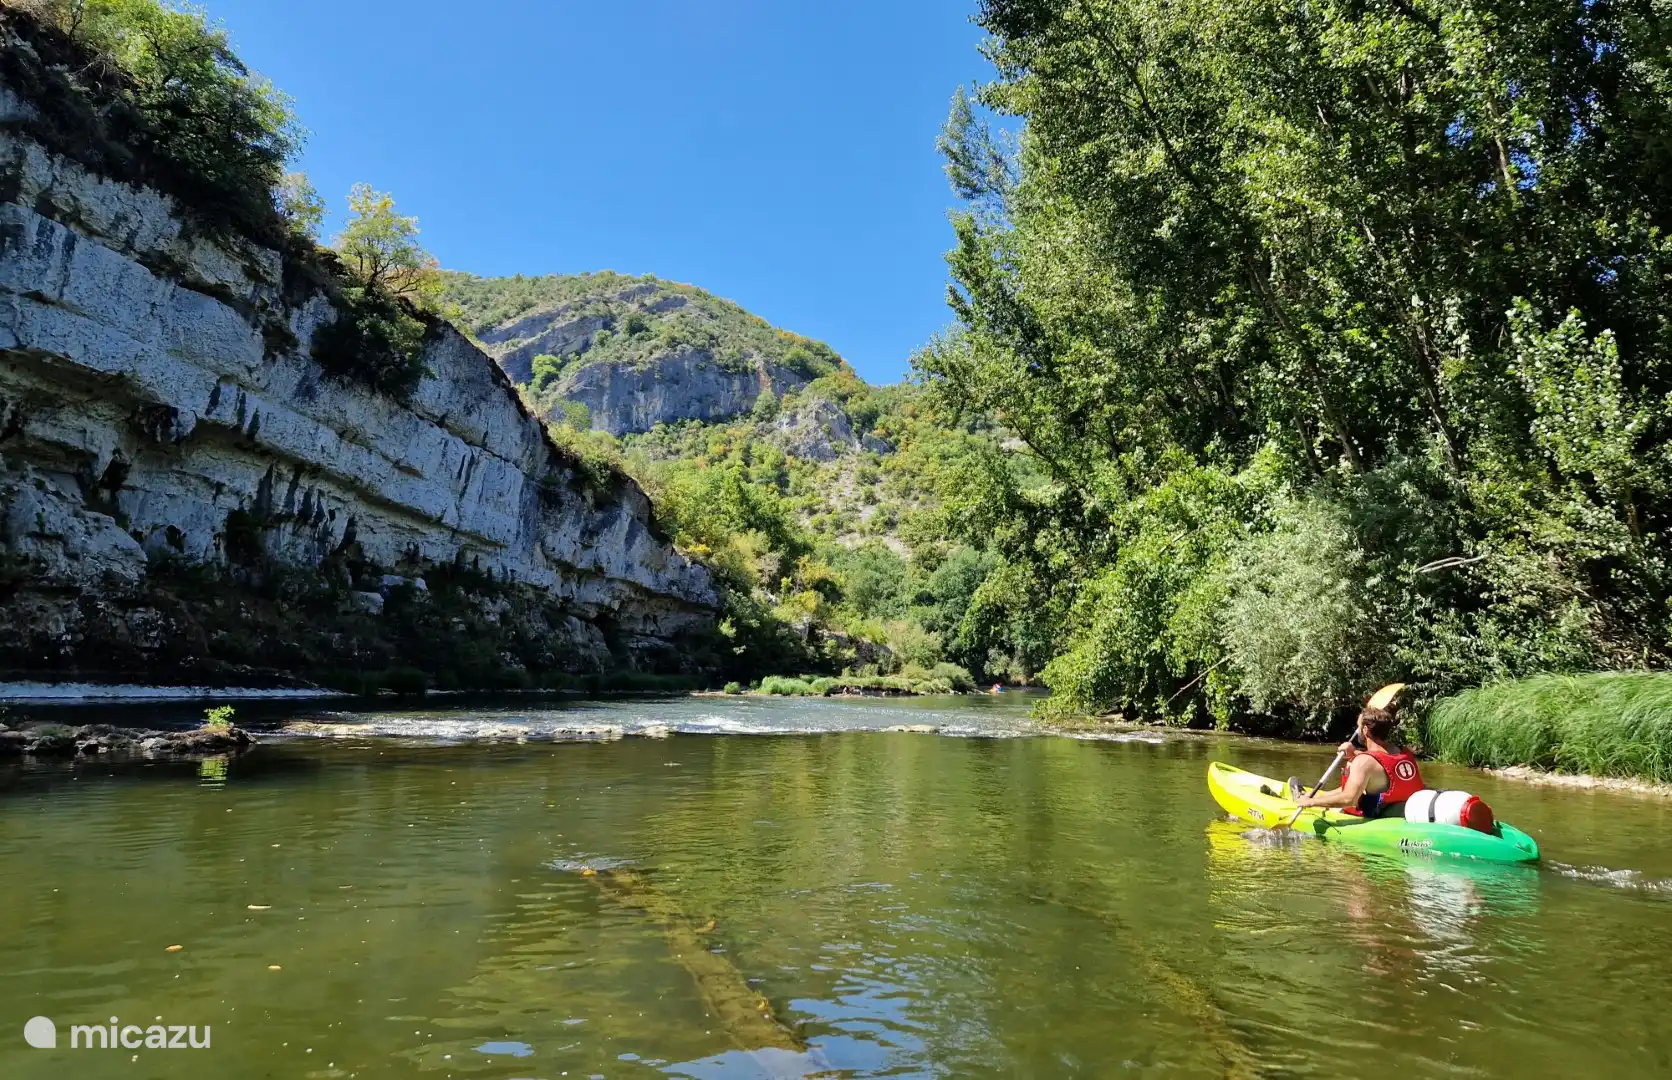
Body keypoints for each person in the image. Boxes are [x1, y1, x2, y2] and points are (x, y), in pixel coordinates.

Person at [1290, 705, 1424, 819]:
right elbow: (1381, 761)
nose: (1358, 729)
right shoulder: (1401, 751)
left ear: (1365, 730)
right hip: (1408, 810)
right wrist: (1353, 753)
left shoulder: (1364, 762)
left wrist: (1312, 802)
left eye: (1358, 726)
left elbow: (1349, 799)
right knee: (1357, 788)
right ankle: (1312, 795)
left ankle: (1307, 798)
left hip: (1380, 816)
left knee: (1339, 805)